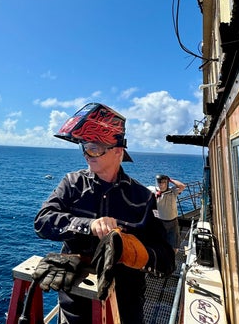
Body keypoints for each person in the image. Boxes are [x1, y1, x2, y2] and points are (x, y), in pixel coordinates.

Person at [33, 103, 175, 323]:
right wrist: (88, 225)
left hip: (125, 307)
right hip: (75, 306)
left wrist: (129, 250)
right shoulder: (72, 184)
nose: (87, 154)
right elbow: (42, 221)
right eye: (84, 147)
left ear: (118, 151)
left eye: (94, 148)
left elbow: (166, 259)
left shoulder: (142, 198)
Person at [151, 174, 186, 255]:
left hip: (173, 223)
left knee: (174, 245)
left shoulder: (172, 191)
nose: (161, 185)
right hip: (160, 223)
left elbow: (182, 186)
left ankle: (172, 260)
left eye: (163, 182)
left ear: (167, 183)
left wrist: (170, 179)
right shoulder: (154, 192)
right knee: (160, 244)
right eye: (159, 183)